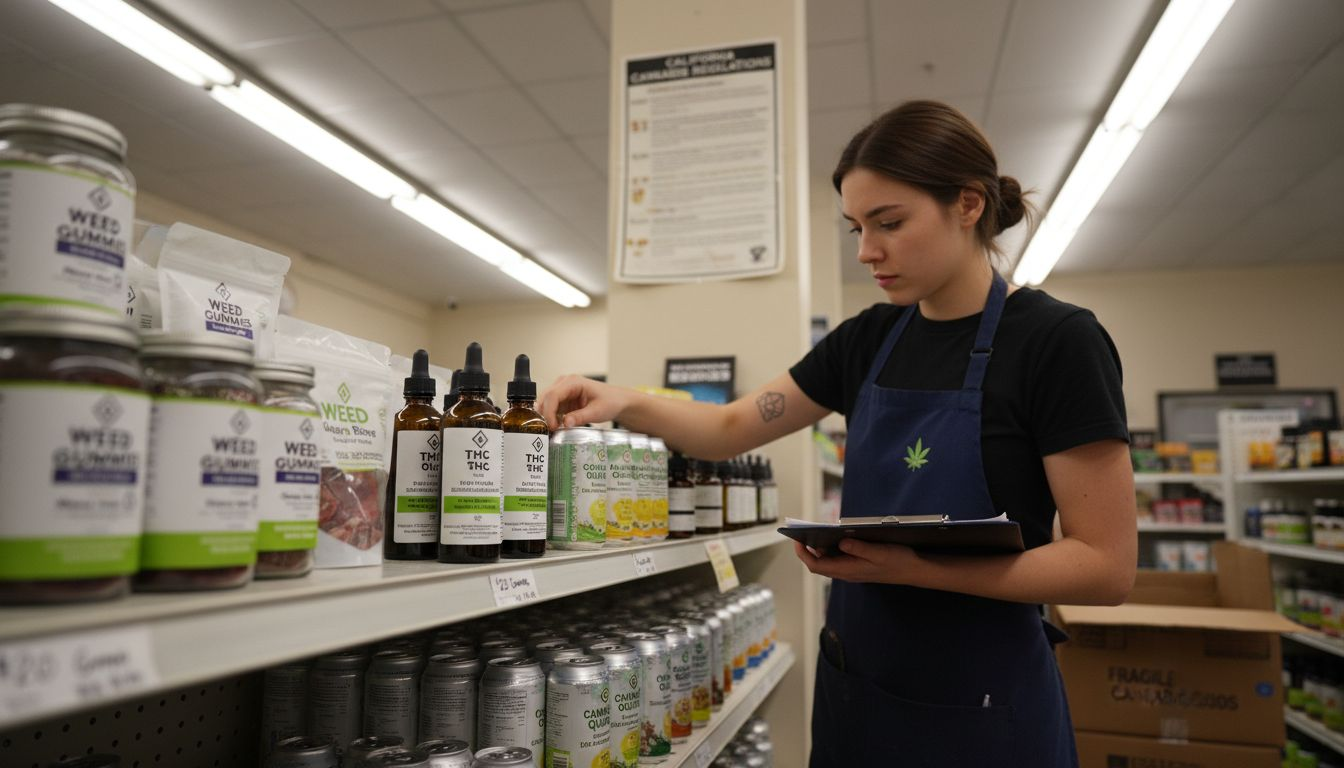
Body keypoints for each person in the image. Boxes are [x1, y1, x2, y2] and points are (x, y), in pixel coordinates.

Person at [539, 100, 1135, 766]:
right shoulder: (867, 340)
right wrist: (620, 399)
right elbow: (731, 426)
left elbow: (1106, 566)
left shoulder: (1056, 342)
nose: (866, 252)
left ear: (968, 205)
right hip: (860, 686)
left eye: (889, 223)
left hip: (984, 702)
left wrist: (919, 569)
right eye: (855, 227)